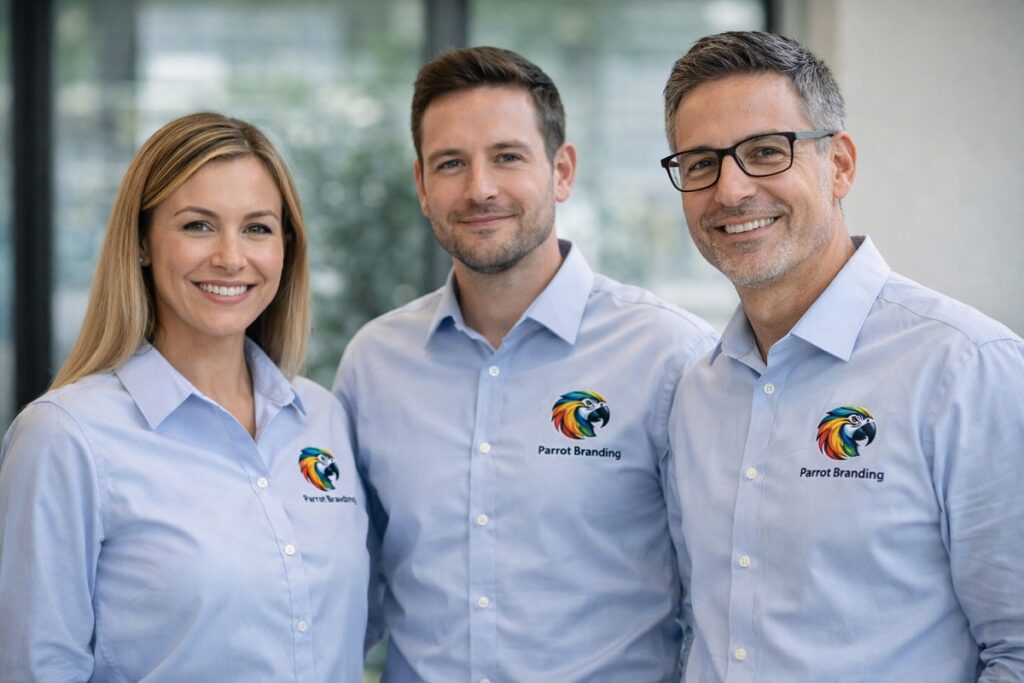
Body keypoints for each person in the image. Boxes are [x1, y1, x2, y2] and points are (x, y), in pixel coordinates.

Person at [333, 46, 717, 681]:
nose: (479, 188)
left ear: (562, 170)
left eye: (507, 157)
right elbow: (346, 590)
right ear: (422, 187)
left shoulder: (669, 357)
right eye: (450, 164)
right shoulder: (375, 364)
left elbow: (716, 598)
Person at [660, 31, 1024, 681]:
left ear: (841, 165)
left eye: (767, 152)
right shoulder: (698, 390)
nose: (731, 189)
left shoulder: (968, 370)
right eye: (700, 163)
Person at [0, 112, 369, 682]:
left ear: (286, 249)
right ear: (143, 243)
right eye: (198, 225)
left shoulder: (321, 417)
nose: (230, 256)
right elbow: (35, 669)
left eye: (257, 228)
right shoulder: (65, 437)